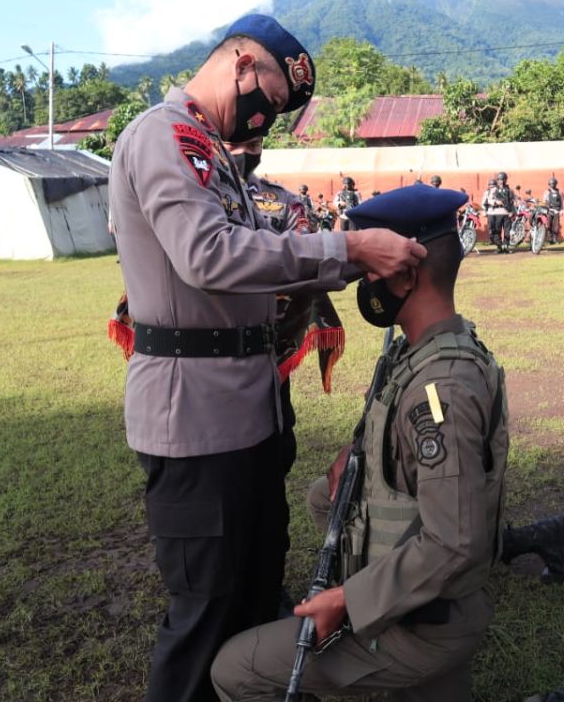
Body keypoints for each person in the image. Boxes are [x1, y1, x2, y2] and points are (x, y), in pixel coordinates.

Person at [108, 13, 426, 702]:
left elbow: (265, 267)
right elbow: (209, 255)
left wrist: (350, 262)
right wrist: (348, 250)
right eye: (271, 101)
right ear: (243, 65)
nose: (266, 120)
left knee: (255, 592)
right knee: (205, 609)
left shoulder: (213, 151)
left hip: (246, 409)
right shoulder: (167, 137)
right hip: (193, 419)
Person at [210, 184, 510, 702]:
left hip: (430, 623)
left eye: (370, 270)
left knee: (235, 668)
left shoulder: (441, 387)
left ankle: (414, 658)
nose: (362, 284)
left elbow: (456, 542)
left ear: (406, 273)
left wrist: (348, 601)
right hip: (432, 606)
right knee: (322, 498)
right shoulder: (429, 350)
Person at [485, 171, 515, 253]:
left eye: (503, 179)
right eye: (499, 180)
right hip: (497, 212)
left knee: (507, 231)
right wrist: (496, 202)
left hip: (507, 213)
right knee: (497, 231)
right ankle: (499, 247)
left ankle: (506, 247)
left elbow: (512, 202)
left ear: (505, 180)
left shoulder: (509, 190)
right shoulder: (494, 190)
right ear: (497, 180)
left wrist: (512, 211)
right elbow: (489, 200)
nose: (501, 181)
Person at [542, 177, 564, 245]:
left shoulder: (559, 192)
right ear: (549, 184)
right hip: (549, 210)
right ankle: (549, 238)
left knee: (556, 226)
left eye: (554, 184)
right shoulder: (547, 192)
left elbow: (561, 202)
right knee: (548, 225)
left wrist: (562, 210)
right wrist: (545, 209)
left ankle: (555, 238)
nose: (553, 185)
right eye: (551, 184)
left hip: (556, 211)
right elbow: (544, 201)